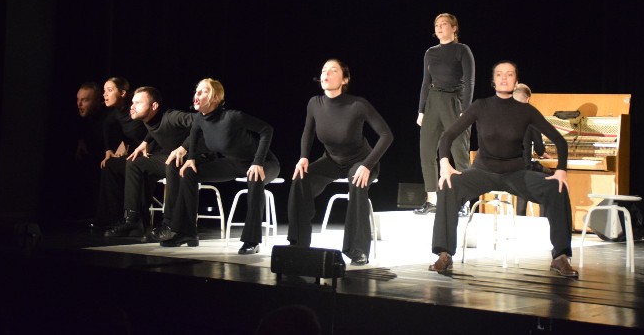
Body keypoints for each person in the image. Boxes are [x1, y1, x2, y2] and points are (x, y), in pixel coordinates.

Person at [428, 61, 578, 278]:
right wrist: (444, 164)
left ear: (516, 81)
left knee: (557, 188)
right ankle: (444, 254)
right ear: (493, 81)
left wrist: (561, 170)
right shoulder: (480, 106)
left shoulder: (526, 111)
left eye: (509, 74)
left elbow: (559, 141)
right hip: (482, 172)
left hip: (515, 174)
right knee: (448, 186)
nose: (504, 78)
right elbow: (448, 135)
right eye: (499, 74)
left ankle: (561, 256)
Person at [288, 59, 393, 266]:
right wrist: (303, 157)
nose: (326, 74)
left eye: (333, 70)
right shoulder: (314, 103)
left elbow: (386, 135)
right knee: (300, 179)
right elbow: (308, 132)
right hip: (332, 161)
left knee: (357, 180)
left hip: (362, 162)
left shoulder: (358, 104)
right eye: (324, 70)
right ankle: (298, 243)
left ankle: (358, 249)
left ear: (344, 80)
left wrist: (367, 165)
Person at [160, 78, 280, 252]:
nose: (197, 94)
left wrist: (258, 162)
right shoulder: (200, 119)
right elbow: (194, 134)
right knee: (189, 172)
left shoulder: (232, 117)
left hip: (263, 163)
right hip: (233, 164)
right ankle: (187, 232)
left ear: (215, 98)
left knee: (254, 177)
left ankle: (252, 241)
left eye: (203, 91)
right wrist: (191, 158)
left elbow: (266, 130)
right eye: (197, 90)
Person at [104, 86, 196, 240]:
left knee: (172, 164)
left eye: (138, 103)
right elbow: (155, 128)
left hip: (193, 159)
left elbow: (200, 123)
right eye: (132, 102)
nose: (132, 106)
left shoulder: (172, 116)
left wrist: (184, 147)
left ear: (154, 106)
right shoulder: (150, 120)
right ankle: (132, 220)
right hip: (172, 159)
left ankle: (171, 224)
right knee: (134, 162)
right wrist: (146, 141)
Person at [415, 13, 475, 216]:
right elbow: (425, 82)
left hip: (454, 101)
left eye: (444, 24)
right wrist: (421, 110)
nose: (439, 28)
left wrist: (466, 110)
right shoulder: (430, 52)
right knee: (426, 151)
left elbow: (469, 82)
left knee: (459, 152)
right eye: (437, 25)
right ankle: (432, 200)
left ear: (454, 28)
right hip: (433, 101)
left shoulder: (462, 50)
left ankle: (464, 201)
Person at [95, 77, 148, 229]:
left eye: (110, 90)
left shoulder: (137, 107)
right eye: (104, 91)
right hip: (135, 154)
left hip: (151, 153)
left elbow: (152, 128)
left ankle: (131, 219)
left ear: (123, 93)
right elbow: (106, 125)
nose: (105, 94)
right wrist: (109, 150)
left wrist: (142, 146)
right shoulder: (117, 113)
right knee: (109, 164)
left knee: (118, 166)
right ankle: (109, 218)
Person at [513, 83, 552, 216]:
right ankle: (543, 220)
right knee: (550, 176)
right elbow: (539, 149)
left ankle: (520, 217)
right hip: (524, 167)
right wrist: (542, 153)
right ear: (528, 99)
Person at [72, 82, 108, 219]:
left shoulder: (109, 116)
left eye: (85, 100)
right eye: (78, 99)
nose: (79, 104)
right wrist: (81, 141)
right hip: (93, 155)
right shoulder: (84, 116)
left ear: (98, 101)